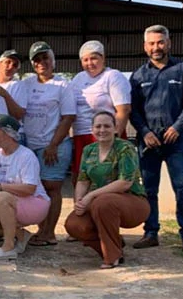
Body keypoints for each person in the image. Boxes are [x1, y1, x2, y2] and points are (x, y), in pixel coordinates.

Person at [129, 25, 183, 253]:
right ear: (145, 46)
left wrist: (178, 126)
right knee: (149, 190)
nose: (156, 47)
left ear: (168, 43)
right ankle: (151, 232)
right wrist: (144, 132)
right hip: (149, 143)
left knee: (182, 188)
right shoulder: (138, 76)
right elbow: (133, 109)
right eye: (151, 43)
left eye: (160, 42)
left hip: (176, 142)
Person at [65, 111, 149, 269]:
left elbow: (125, 182)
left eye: (106, 126)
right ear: (92, 129)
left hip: (132, 202)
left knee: (103, 202)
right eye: (98, 126)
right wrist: (79, 203)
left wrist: (91, 196)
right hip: (98, 202)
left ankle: (112, 256)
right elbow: (83, 180)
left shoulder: (125, 148)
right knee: (74, 224)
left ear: (116, 128)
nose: (102, 130)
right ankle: (114, 246)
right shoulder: (88, 150)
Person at [20, 41, 75, 247]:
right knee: (37, 189)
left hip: (53, 145)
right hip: (30, 145)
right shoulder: (26, 84)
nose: (41, 63)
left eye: (45, 58)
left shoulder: (63, 85)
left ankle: (49, 232)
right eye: (37, 60)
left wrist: (53, 145)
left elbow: (68, 117)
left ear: (53, 61)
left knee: (52, 188)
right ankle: (40, 230)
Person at [0, 115, 51, 260]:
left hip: (35, 202)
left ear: (8, 133)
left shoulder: (26, 156)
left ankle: (8, 247)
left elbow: (29, 188)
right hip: (9, 203)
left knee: (1, 196)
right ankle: (21, 235)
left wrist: (1, 187)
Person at [69, 40, 131, 184]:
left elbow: (124, 110)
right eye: (85, 59)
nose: (90, 63)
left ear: (103, 58)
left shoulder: (113, 76)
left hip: (106, 135)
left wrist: (113, 139)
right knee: (81, 179)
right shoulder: (78, 79)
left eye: (94, 58)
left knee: (107, 178)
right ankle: (81, 206)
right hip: (81, 136)